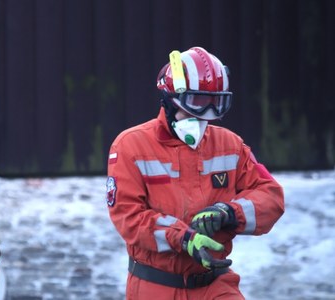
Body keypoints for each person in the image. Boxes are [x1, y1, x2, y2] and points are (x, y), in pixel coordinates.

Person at [106, 46, 284, 299]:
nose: (205, 114)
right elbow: (129, 217)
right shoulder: (130, 146)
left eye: (216, 103)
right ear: (170, 98)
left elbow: (271, 196)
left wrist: (230, 213)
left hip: (215, 284)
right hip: (155, 285)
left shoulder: (230, 145)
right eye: (198, 102)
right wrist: (184, 238)